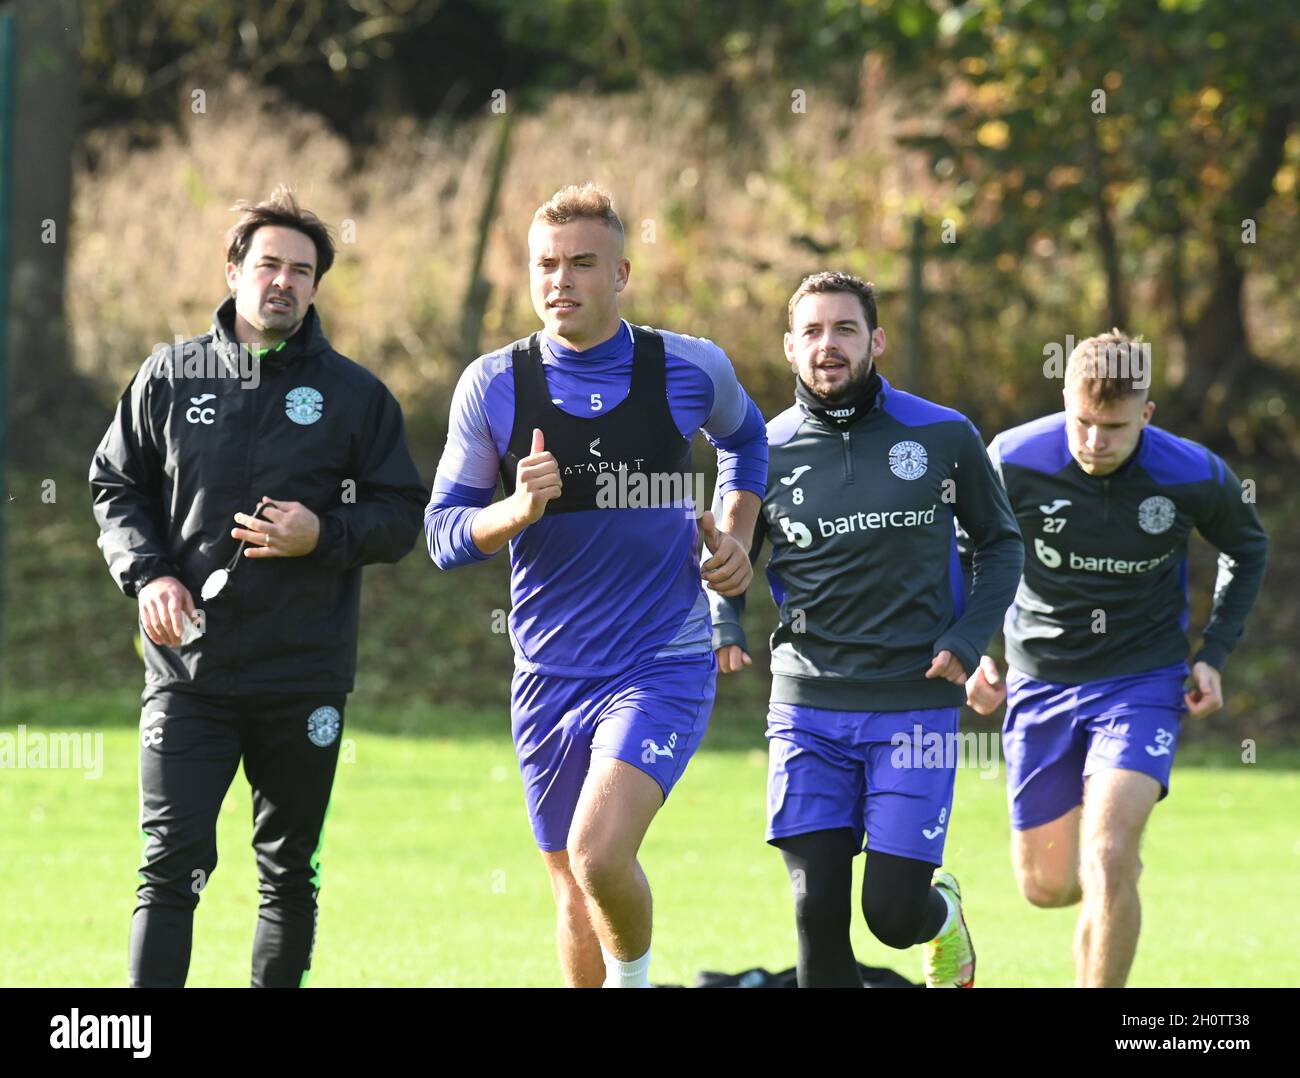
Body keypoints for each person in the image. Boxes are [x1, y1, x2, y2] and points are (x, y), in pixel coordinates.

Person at [425, 182, 766, 987]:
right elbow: (442, 535)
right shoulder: (494, 385)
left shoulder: (687, 368)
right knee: (572, 889)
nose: (561, 281)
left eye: (582, 263)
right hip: (547, 671)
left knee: (598, 851)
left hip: (661, 660)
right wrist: (516, 508)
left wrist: (738, 539)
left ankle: (635, 984)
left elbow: (747, 442)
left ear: (621, 273)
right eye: (546, 264)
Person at [89, 186, 427, 987]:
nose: (283, 282)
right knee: (169, 871)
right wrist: (150, 575)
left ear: (316, 288)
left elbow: (401, 515)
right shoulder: (168, 377)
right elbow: (116, 487)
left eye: (301, 271)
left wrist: (323, 534)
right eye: (268, 263)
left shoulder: (356, 396)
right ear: (233, 268)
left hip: (302, 676)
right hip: (188, 678)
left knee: (288, 875)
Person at [709, 271, 1023, 987]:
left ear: (875, 341)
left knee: (889, 913)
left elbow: (1000, 544)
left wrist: (970, 639)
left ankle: (940, 917)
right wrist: (726, 619)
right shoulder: (759, 451)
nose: (829, 346)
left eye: (845, 330)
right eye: (812, 332)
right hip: (808, 707)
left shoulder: (943, 434)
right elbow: (729, 553)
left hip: (914, 702)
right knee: (816, 916)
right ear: (789, 349)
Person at [965, 329, 1268, 987]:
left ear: (1147, 415)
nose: (1094, 442)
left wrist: (1213, 651)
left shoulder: (1190, 472)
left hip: (1142, 679)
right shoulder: (1013, 459)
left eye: (1114, 427)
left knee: (1106, 854)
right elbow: (963, 552)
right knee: (1048, 885)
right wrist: (975, 651)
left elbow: (1248, 550)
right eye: (1082, 421)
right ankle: (1110, 879)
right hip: (1040, 680)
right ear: (1064, 399)